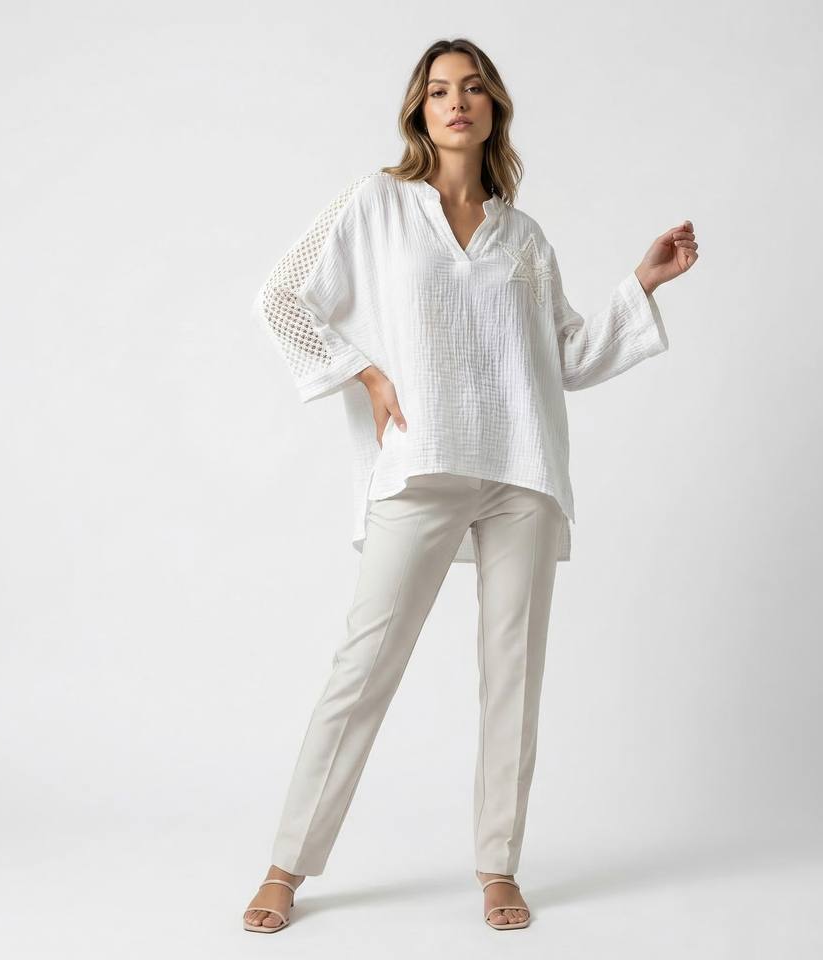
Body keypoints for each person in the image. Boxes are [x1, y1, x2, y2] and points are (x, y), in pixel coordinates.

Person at [243, 37, 698, 933]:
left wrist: (642, 283)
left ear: (494, 109)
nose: (458, 102)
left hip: (520, 472)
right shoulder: (377, 204)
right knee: (363, 667)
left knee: (512, 676)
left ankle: (498, 867)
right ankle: (285, 865)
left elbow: (564, 354)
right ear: (420, 110)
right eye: (441, 90)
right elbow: (282, 297)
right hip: (422, 461)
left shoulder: (523, 238)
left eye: (474, 88)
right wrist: (367, 374)